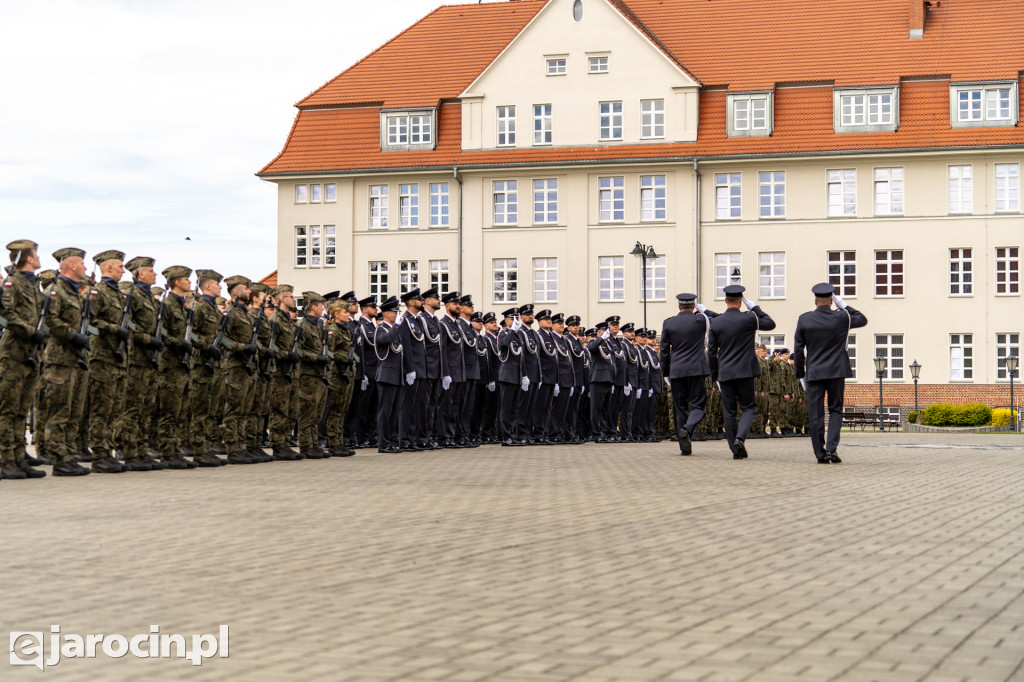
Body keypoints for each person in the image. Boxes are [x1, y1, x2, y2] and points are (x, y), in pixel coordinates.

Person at [792, 282, 868, 463]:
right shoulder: (842, 317)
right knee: (835, 410)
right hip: (836, 371)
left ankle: (820, 454)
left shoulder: (804, 319)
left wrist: (800, 374)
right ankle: (831, 449)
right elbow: (862, 319)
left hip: (814, 372)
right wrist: (845, 305)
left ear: (815, 300)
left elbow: (798, 349)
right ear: (832, 301)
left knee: (815, 413)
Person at [39, 248, 91, 476]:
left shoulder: (74, 292)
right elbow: (50, 320)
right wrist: (74, 336)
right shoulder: (55, 291)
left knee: (73, 413)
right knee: (59, 413)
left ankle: (69, 455)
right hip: (60, 360)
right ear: (71, 265)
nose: (85, 268)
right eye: (82, 263)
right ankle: (59, 459)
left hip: (76, 360)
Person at [707, 285, 776, 459]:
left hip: (725, 373)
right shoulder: (749, 318)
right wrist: (754, 308)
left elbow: (712, 352)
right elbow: (770, 323)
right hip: (745, 371)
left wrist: (715, 375)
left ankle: (735, 450)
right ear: (740, 301)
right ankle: (740, 438)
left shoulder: (716, 322)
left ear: (725, 300)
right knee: (749, 408)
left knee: (729, 412)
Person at [0, 239, 46, 479]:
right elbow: (6, 313)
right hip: (14, 354)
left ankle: (19, 458)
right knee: (7, 411)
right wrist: (30, 331)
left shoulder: (33, 285)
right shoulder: (13, 283)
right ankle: (5, 460)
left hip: (31, 354)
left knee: (21, 411)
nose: (38, 259)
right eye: (36, 255)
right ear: (29, 258)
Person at [660, 293, 718, 455]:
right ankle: (687, 429)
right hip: (696, 369)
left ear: (679, 306)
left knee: (680, 409)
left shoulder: (668, 322)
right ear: (693, 306)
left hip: (676, 370)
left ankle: (684, 447)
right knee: (698, 406)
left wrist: (665, 372)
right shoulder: (701, 320)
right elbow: (720, 319)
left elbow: (664, 351)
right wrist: (705, 311)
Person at [373, 296, 404, 453]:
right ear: (386, 314)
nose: (397, 315)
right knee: (385, 411)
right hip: (386, 375)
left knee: (394, 411)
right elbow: (385, 340)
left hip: (396, 375)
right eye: (394, 312)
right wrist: (397, 326)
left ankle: (391, 441)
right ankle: (383, 443)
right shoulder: (381, 328)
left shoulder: (394, 330)